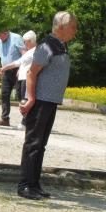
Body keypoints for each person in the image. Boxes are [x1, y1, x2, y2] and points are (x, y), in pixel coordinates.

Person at [18, 12, 78, 200]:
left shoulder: (62, 46)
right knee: (33, 144)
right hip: (41, 101)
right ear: (61, 27)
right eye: (73, 27)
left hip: (51, 101)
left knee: (40, 145)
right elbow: (31, 73)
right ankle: (25, 186)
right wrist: (31, 99)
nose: (75, 32)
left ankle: (35, 185)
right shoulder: (47, 46)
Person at [0, 30, 37, 129]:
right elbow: (18, 62)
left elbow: (17, 63)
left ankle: (25, 122)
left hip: (25, 78)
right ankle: (22, 121)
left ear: (31, 41)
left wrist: (4, 68)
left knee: (24, 100)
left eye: (26, 42)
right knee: (21, 99)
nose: (24, 44)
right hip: (22, 77)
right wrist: (4, 68)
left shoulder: (34, 51)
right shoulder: (31, 51)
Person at [0, 30, 26, 126]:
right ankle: (5, 119)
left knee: (20, 95)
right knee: (4, 94)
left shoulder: (17, 38)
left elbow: (24, 54)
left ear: (6, 32)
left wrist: (22, 68)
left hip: (17, 70)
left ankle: (26, 120)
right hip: (6, 71)